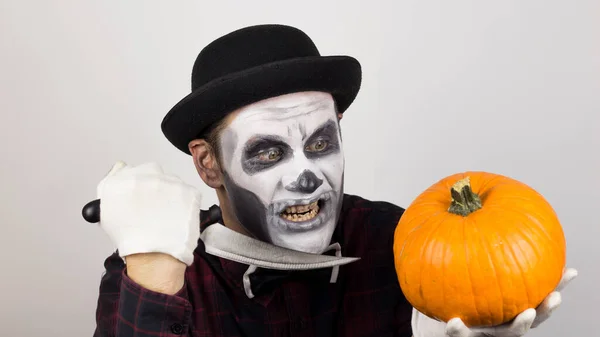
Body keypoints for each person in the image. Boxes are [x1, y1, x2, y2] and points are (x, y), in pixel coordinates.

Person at [91, 24, 576, 337]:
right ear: (207, 165)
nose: (308, 178)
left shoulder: (401, 241)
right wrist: (154, 270)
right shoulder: (152, 270)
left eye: (321, 144)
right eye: (268, 151)